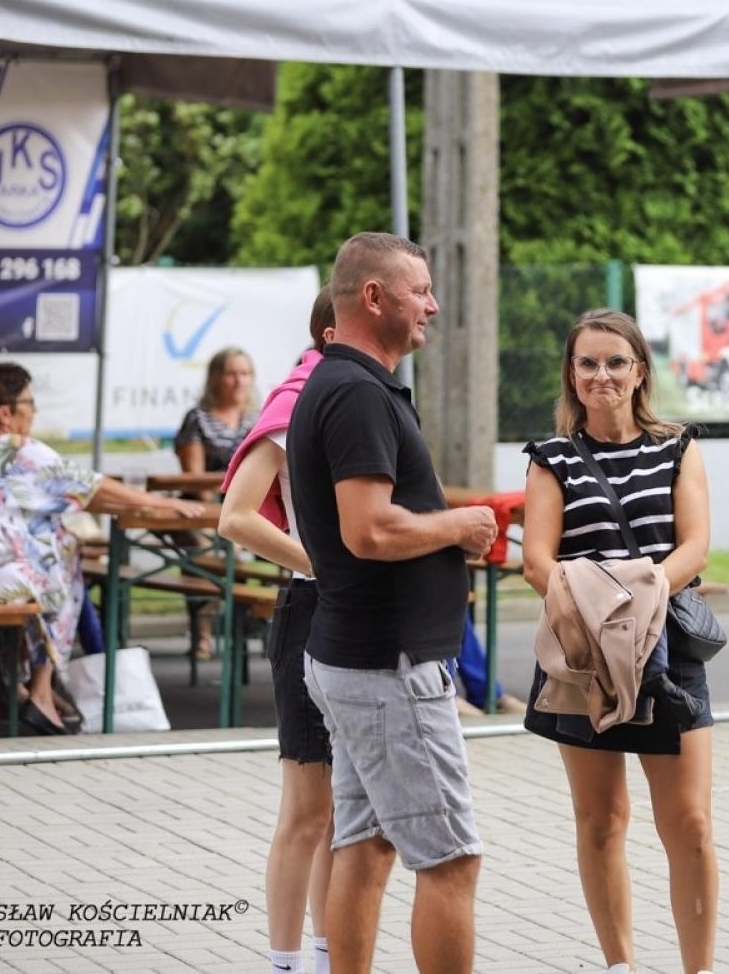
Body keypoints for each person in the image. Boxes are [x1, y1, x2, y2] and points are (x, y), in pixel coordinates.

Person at [288, 233, 496, 974]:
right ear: (373, 298)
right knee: (451, 862)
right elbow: (369, 529)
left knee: (367, 845)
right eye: (421, 290)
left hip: (362, 658)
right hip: (389, 666)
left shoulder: (343, 385)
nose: (434, 305)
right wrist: (462, 527)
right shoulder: (355, 392)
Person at [522, 308, 718, 974]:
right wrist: (603, 610)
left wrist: (641, 595)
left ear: (639, 372)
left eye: (615, 362)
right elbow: (536, 561)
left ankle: (699, 969)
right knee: (602, 820)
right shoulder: (550, 458)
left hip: (667, 653)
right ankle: (620, 965)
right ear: (571, 375)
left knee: (688, 824)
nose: (601, 376)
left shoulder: (678, 445)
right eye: (587, 363)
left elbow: (695, 545)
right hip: (584, 657)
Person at [0, 362, 202, 735]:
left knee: (53, 538)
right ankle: (40, 689)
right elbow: (94, 488)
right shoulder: (19, 449)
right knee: (65, 563)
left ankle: (29, 685)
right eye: (29, 402)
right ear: (5, 413)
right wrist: (165, 504)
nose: (34, 410)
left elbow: (72, 494)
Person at [218, 289, 337, 974]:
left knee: (342, 815)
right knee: (306, 812)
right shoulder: (298, 399)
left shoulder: (356, 395)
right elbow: (235, 517)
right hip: (311, 611)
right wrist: (323, 565)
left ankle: (327, 957)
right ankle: (285, 964)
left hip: (355, 615)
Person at [176, 346, 259, 660]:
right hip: (201, 510)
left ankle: (248, 623)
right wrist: (226, 523)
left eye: (245, 373)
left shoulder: (257, 418)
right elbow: (195, 480)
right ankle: (204, 633)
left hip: (246, 509)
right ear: (215, 379)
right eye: (231, 373)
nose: (239, 381)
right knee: (206, 551)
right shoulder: (197, 419)